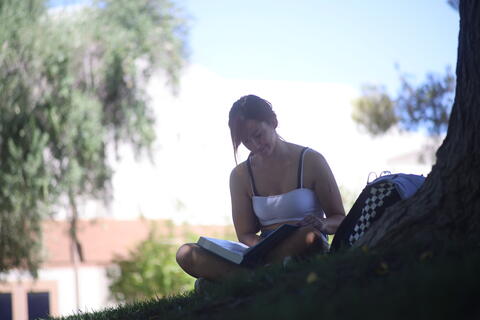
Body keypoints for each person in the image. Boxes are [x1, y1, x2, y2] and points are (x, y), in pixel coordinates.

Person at [176, 94, 346, 281]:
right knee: (185, 252)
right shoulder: (240, 175)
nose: (255, 145)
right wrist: (258, 244)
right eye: (246, 142)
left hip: (301, 241)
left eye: (258, 135)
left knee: (309, 236)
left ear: (273, 122)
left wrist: (323, 224)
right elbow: (245, 233)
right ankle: (259, 275)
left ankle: (233, 278)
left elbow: (339, 218)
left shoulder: (312, 161)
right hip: (261, 250)